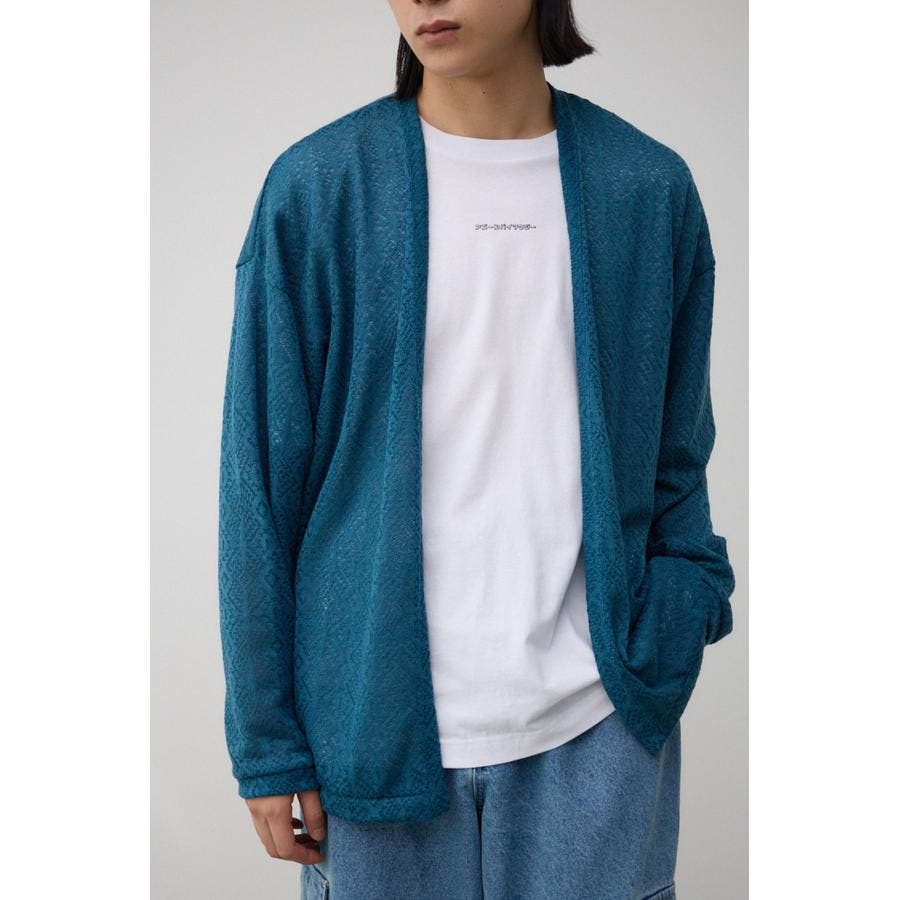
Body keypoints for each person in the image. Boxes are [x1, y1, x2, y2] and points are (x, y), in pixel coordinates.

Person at [217, 2, 736, 898]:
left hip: (597, 724)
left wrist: (679, 615)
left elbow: (676, 456)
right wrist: (267, 742)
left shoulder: (646, 189)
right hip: (370, 736)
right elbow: (258, 483)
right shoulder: (319, 189)